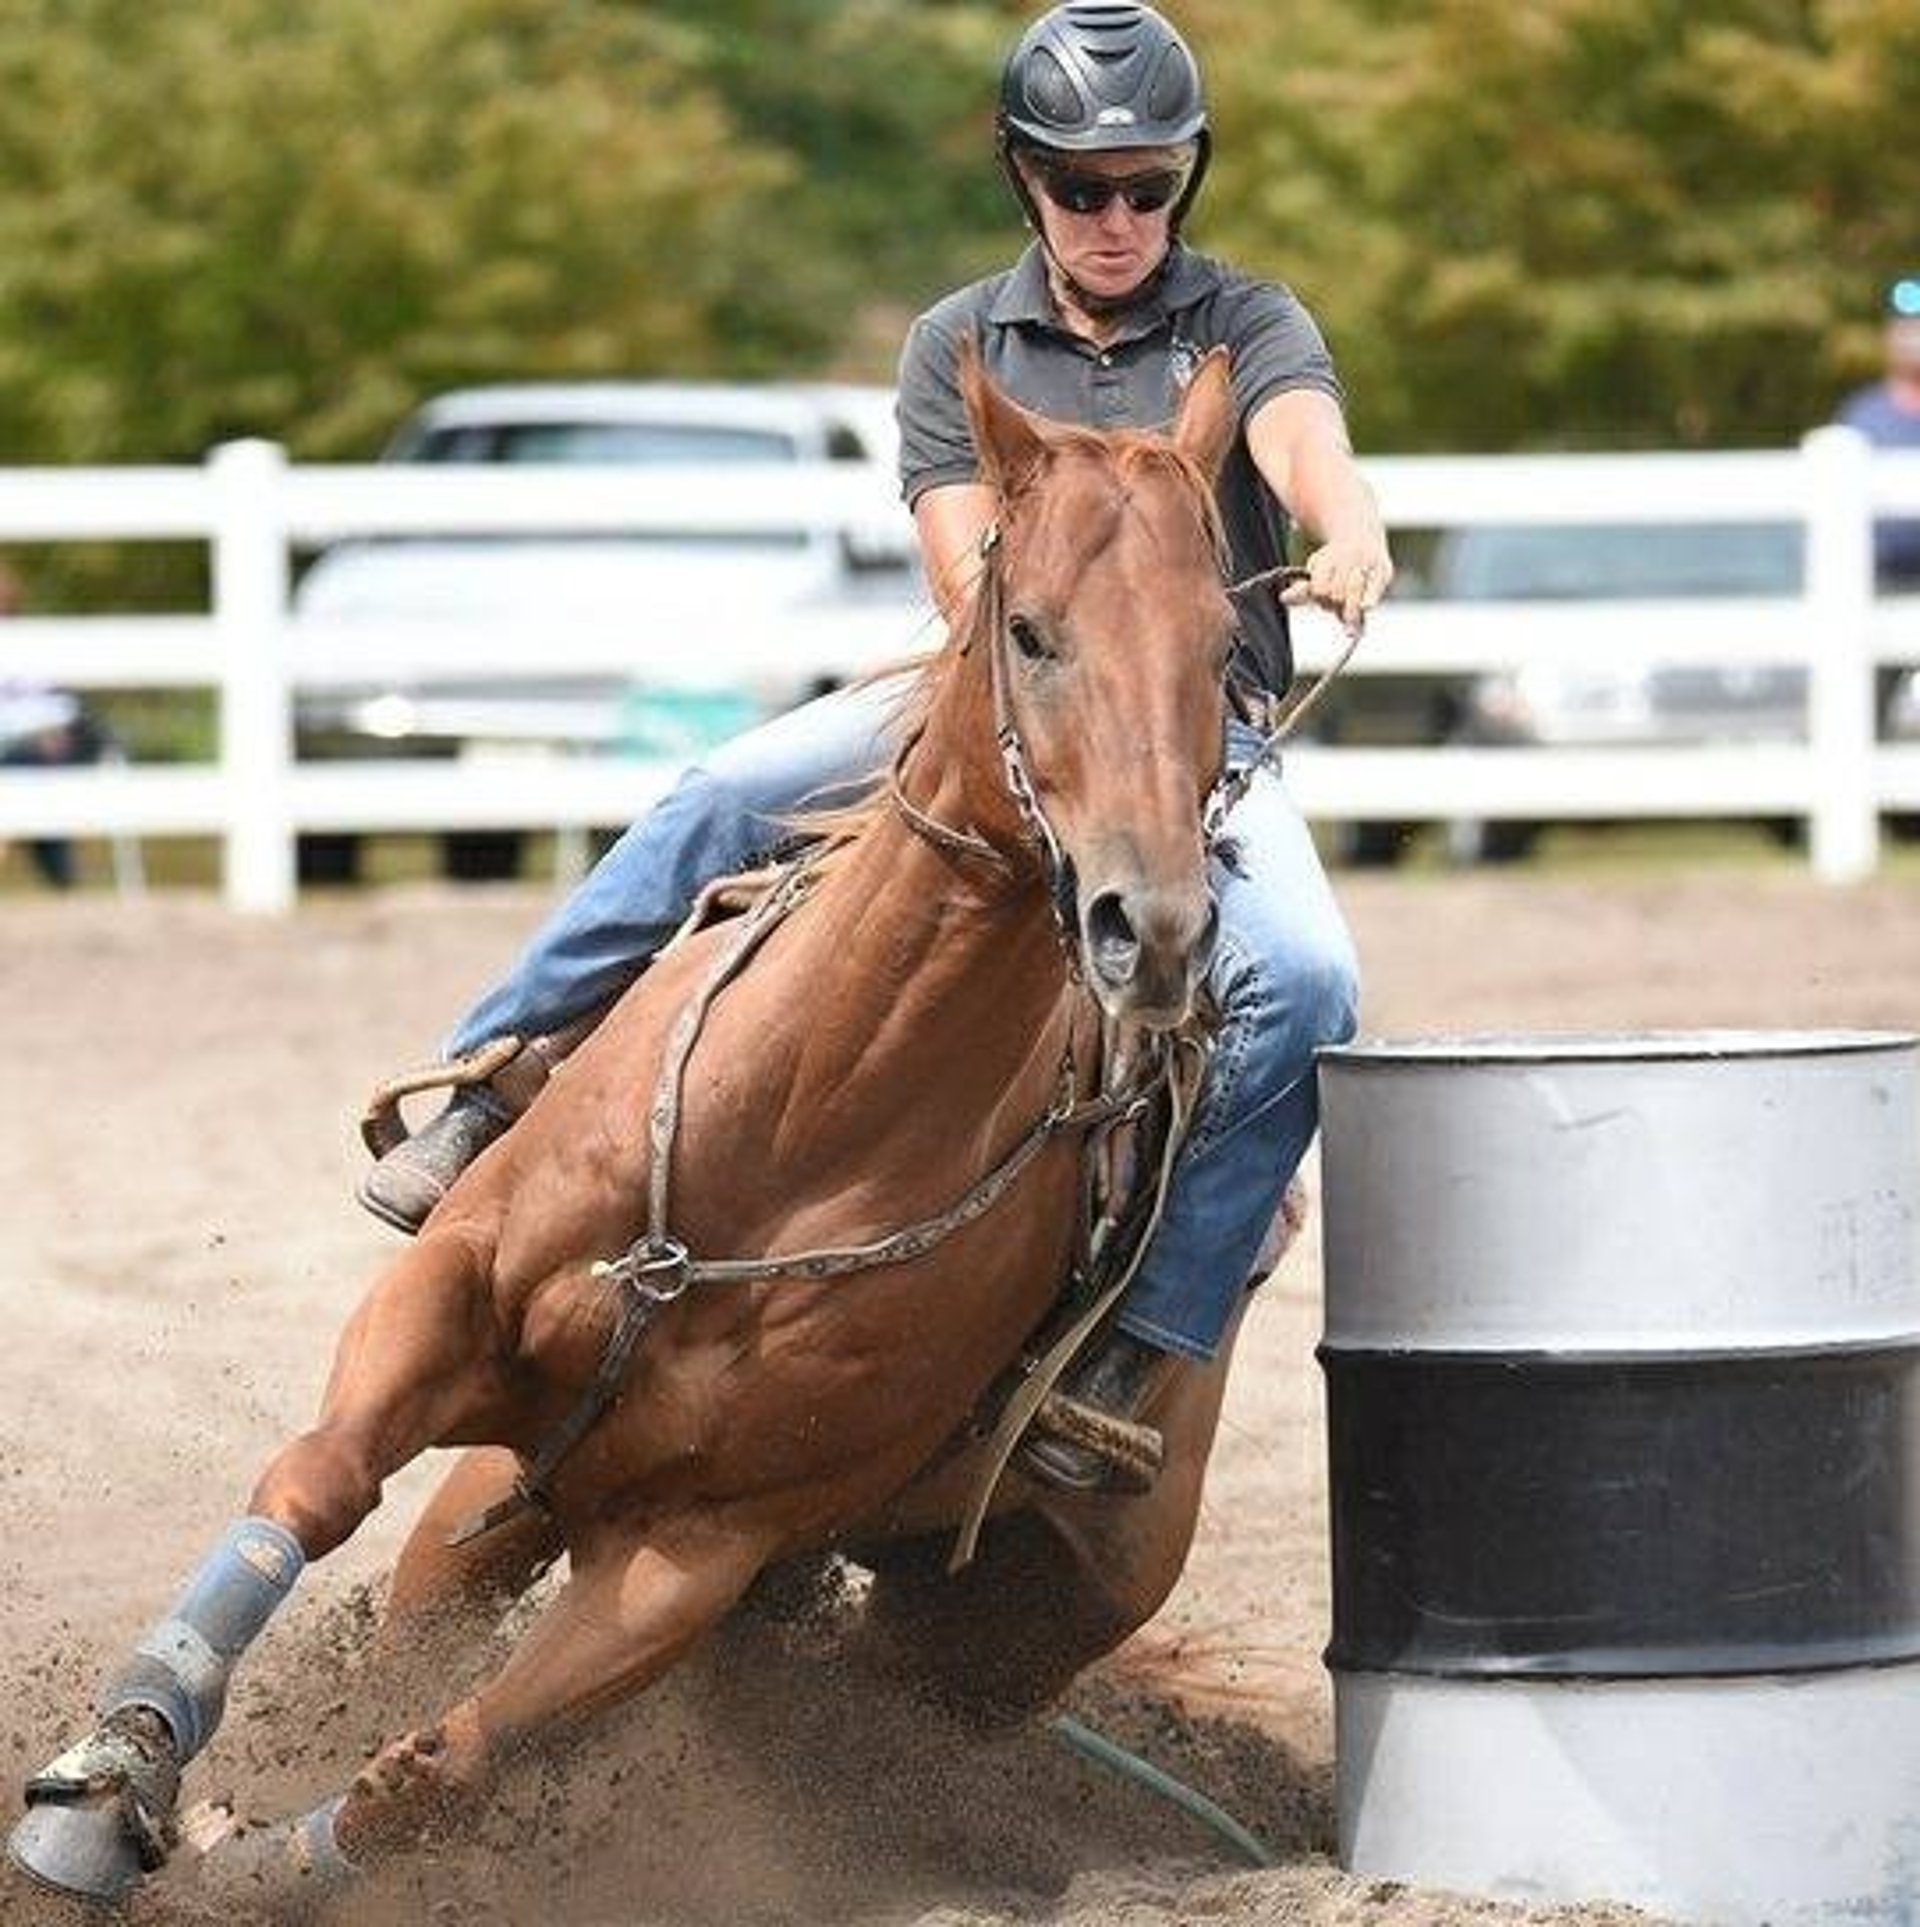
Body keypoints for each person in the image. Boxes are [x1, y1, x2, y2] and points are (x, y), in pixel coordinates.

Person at [357, 0, 1392, 1489]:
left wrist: (1345, 526)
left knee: (1308, 980)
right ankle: (488, 1084)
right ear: (1025, 177)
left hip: (1195, 736)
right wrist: (1044, 692)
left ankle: (1144, 1338)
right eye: (1083, 186)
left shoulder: (1247, 322)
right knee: (720, 793)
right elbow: (965, 574)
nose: (1117, 218)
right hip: (989, 701)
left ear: (1187, 178)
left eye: (1149, 184)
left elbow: (1303, 443)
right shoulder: (957, 343)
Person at [0, 559, 102, 889]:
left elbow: (56, 706)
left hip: (32, 748)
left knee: (25, 771)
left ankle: (62, 881)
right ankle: (63, 883)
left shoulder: (33, 646)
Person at [1835, 276, 1920, 589]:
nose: (1913, 339)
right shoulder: (1862, 418)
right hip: (1880, 585)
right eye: (1905, 328)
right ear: (1888, 336)